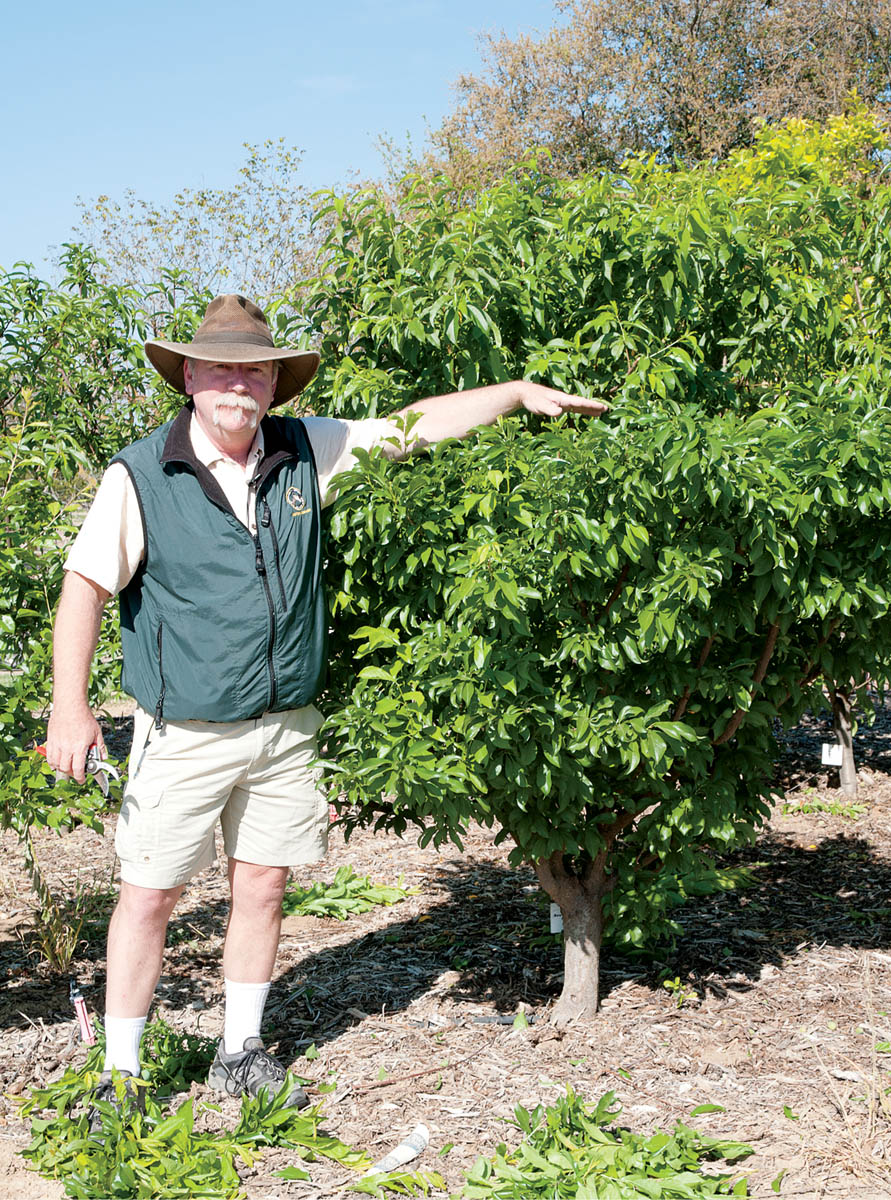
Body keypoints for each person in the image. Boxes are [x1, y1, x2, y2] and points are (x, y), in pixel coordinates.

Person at [45, 294, 605, 1118]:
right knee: (149, 895)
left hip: (284, 727)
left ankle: (240, 1051)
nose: (240, 383)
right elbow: (85, 585)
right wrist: (70, 705)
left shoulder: (306, 448)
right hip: (185, 728)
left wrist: (515, 392)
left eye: (257, 370)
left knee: (263, 886)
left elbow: (411, 425)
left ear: (275, 384)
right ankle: (122, 1073)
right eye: (223, 368)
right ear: (190, 376)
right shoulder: (140, 474)